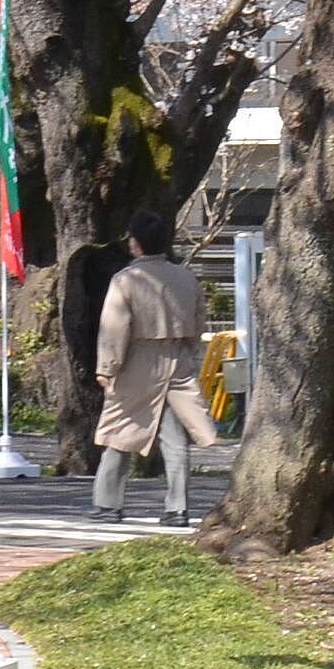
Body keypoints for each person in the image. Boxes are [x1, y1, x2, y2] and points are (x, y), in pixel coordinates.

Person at [92, 210, 217, 526]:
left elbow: (114, 326)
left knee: (119, 430)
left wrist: (107, 367)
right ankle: (177, 508)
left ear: (135, 244)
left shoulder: (126, 280)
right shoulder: (186, 276)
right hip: (177, 358)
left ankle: (109, 504)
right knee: (176, 438)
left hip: (137, 358)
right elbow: (200, 317)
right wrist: (189, 349)